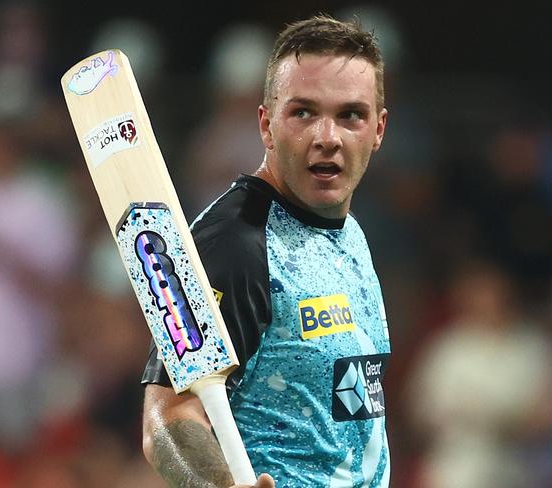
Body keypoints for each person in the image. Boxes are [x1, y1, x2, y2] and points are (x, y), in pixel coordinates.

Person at [141, 14, 391, 487]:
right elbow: (169, 416)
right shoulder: (234, 244)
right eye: (303, 112)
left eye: (350, 115)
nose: (327, 137)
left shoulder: (348, 232)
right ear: (266, 124)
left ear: (378, 129)